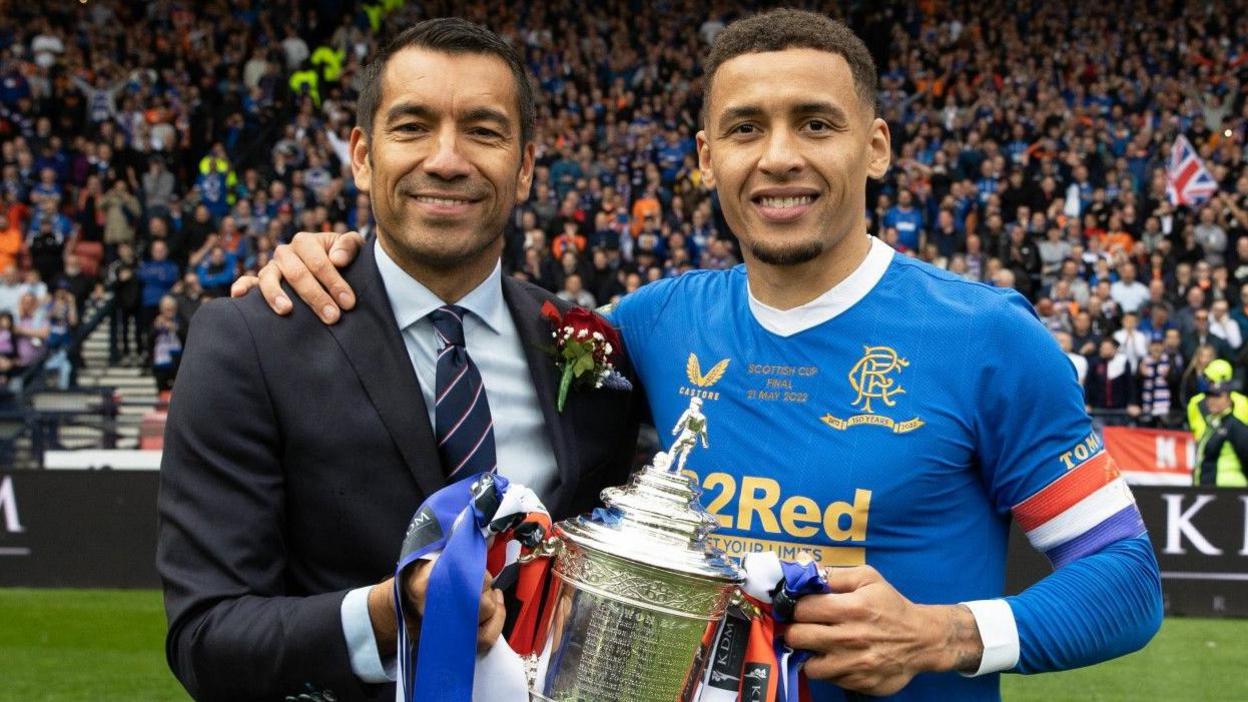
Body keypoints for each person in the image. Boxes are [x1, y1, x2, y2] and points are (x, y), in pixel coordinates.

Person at [237, 10, 1162, 701]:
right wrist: (332, 256)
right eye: (747, 128)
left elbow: (1124, 584)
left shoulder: (986, 337)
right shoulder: (643, 327)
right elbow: (466, 314)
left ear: (875, 145)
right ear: (704, 156)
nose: (780, 157)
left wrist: (943, 634)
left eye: (817, 123)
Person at [158, 19, 642, 702]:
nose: (446, 159)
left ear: (526, 165)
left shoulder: (592, 350)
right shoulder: (250, 340)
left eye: (483, 130)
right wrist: (393, 613)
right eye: (412, 126)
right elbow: (207, 639)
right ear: (362, 155)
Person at [1186, 359, 1248, 487]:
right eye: (1209, 395)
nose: (1211, 400)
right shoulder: (1212, 424)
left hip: (1229, 492)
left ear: (1228, 398)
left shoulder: (1234, 425)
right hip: (1210, 489)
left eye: (1217, 396)